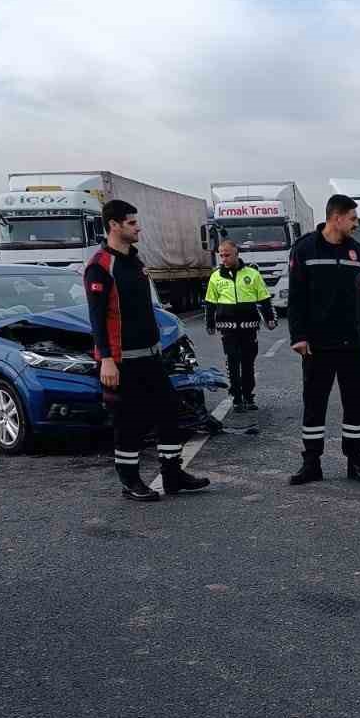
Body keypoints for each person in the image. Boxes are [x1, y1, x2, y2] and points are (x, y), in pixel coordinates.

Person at [84, 200, 209, 502]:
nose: (138, 227)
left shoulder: (136, 263)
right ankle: (130, 482)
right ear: (114, 225)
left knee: (169, 411)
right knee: (130, 421)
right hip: (123, 362)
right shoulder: (100, 266)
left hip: (151, 356)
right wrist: (107, 361)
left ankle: (172, 475)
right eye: (131, 223)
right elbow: (97, 319)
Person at [285, 193, 360, 486]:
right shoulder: (305, 248)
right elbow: (295, 297)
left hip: (353, 345)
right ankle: (311, 463)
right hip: (317, 345)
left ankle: (356, 462)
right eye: (353, 218)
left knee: (355, 405)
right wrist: (298, 336)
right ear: (336, 217)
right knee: (314, 404)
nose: (356, 223)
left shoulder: (356, 251)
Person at [204, 238, 277, 410]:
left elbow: (264, 299)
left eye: (227, 255)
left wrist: (270, 318)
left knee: (248, 363)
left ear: (237, 254)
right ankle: (236, 397)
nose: (224, 259)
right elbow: (210, 302)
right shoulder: (216, 277)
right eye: (221, 256)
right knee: (233, 360)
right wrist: (209, 323)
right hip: (227, 329)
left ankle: (248, 397)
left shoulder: (252, 274)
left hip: (249, 327)